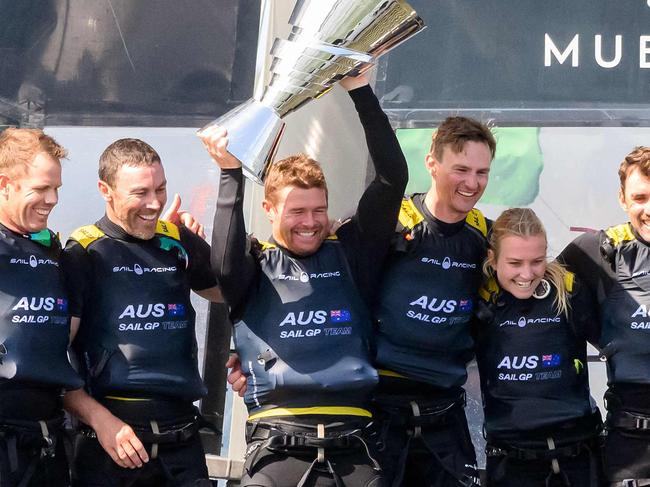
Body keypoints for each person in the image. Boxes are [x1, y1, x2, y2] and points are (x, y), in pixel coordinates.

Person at [201, 74, 408, 487]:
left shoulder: (352, 253)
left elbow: (391, 179)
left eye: (319, 210)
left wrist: (360, 90)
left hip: (354, 448)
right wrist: (230, 173)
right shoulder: (253, 267)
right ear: (270, 209)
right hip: (276, 445)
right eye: (297, 211)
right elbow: (222, 264)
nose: (311, 223)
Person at [61, 138, 223, 487]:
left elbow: (236, 290)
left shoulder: (176, 239)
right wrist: (101, 421)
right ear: (105, 190)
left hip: (182, 438)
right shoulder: (85, 252)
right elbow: (52, 360)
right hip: (111, 444)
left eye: (161, 189)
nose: (154, 204)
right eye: (141, 193)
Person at [368, 116, 495, 487]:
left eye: (482, 172)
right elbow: (321, 280)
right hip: (380, 404)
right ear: (432, 164)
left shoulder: (487, 238)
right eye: (461, 169)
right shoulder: (394, 222)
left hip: (445, 408)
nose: (472, 183)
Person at [474, 207, 603, 487]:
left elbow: (618, 342)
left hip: (579, 454)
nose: (527, 273)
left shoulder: (568, 291)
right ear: (492, 260)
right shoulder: (479, 299)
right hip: (512, 460)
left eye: (537, 261)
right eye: (515, 262)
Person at [559, 146, 650, 485]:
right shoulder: (597, 252)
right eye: (640, 197)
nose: (649, 208)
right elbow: (530, 277)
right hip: (629, 447)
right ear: (623, 200)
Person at [0, 128, 84, 486]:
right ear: (5, 183)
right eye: (40, 188)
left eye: (57, 189)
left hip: (48, 438)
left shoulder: (54, 252)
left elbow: (66, 335)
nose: (52, 199)